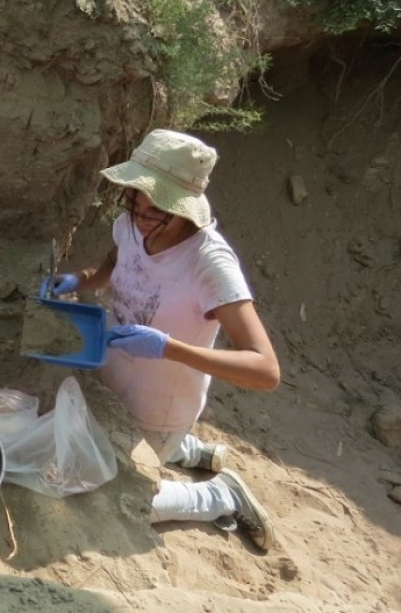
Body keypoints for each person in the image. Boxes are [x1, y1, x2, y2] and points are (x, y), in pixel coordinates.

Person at [45, 129, 280, 552]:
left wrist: (167, 347)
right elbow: (116, 262)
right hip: (111, 378)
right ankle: (188, 452)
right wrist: (81, 279)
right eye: (134, 201)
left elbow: (266, 370)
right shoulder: (133, 224)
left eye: (153, 211)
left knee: (112, 499)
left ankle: (219, 494)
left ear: (182, 210)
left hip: (162, 404)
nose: (139, 217)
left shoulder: (209, 263)